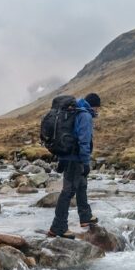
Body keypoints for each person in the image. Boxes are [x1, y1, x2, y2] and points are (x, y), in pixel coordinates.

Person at [48, 92, 101, 239]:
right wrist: (85, 162)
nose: (98, 111)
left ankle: (85, 217)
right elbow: (84, 141)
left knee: (82, 184)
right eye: (98, 108)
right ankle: (58, 227)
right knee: (68, 191)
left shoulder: (77, 112)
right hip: (74, 158)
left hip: (69, 156)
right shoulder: (85, 116)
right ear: (95, 106)